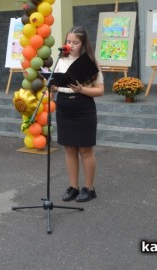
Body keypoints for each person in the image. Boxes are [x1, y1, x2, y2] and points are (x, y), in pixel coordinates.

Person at [54, 26, 104, 203]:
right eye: (68, 41)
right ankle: (73, 187)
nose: (71, 45)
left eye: (75, 42)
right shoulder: (61, 60)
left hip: (83, 108)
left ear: (83, 44)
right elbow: (58, 84)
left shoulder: (90, 62)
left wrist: (82, 89)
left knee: (85, 149)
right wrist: (53, 84)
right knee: (69, 148)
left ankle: (89, 188)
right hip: (63, 107)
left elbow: (100, 91)